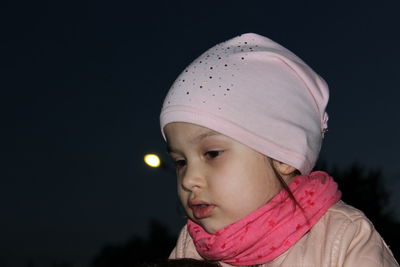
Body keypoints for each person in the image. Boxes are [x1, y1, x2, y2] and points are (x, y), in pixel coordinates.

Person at [159, 33, 399, 266]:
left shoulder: (344, 237)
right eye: (181, 162)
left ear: (283, 155)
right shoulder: (190, 245)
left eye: (212, 154)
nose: (189, 180)